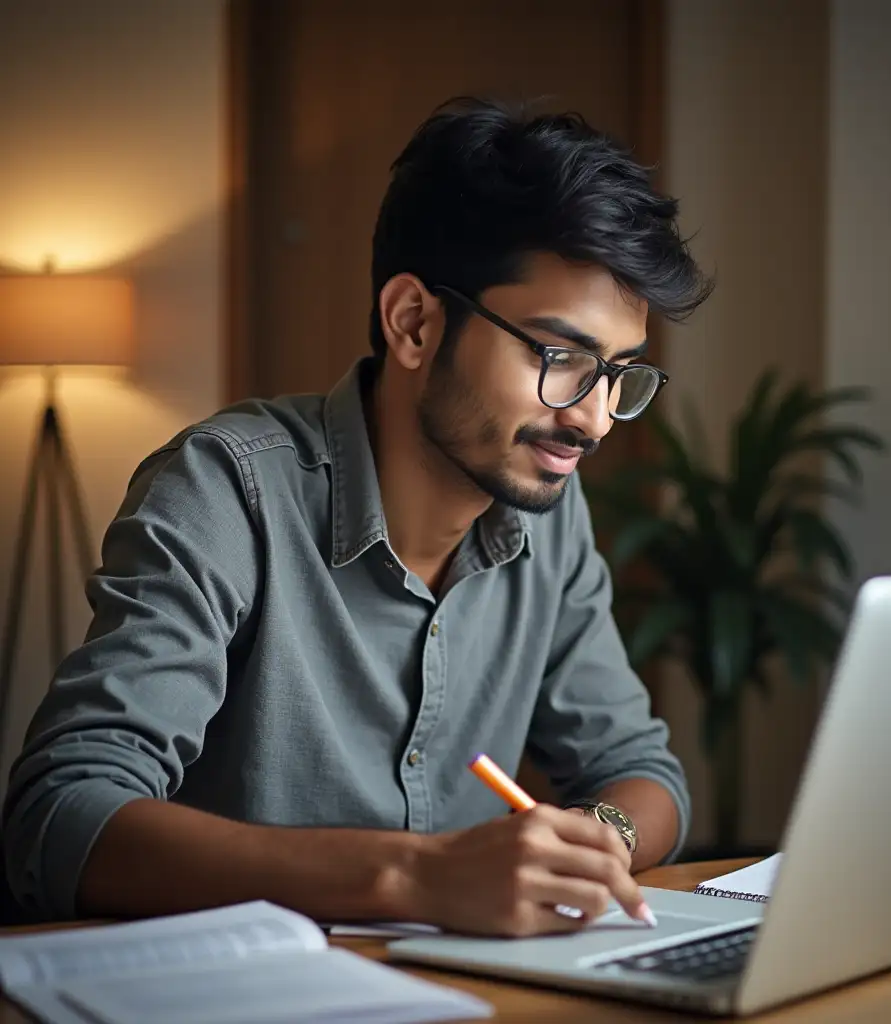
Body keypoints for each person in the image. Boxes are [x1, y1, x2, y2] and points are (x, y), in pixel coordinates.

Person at [2, 96, 712, 936]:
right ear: (412, 322)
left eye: (617, 372)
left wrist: (598, 839)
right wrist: (413, 877)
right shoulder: (227, 488)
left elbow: (641, 772)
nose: (592, 420)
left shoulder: (547, 509)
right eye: (559, 357)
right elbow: (60, 818)